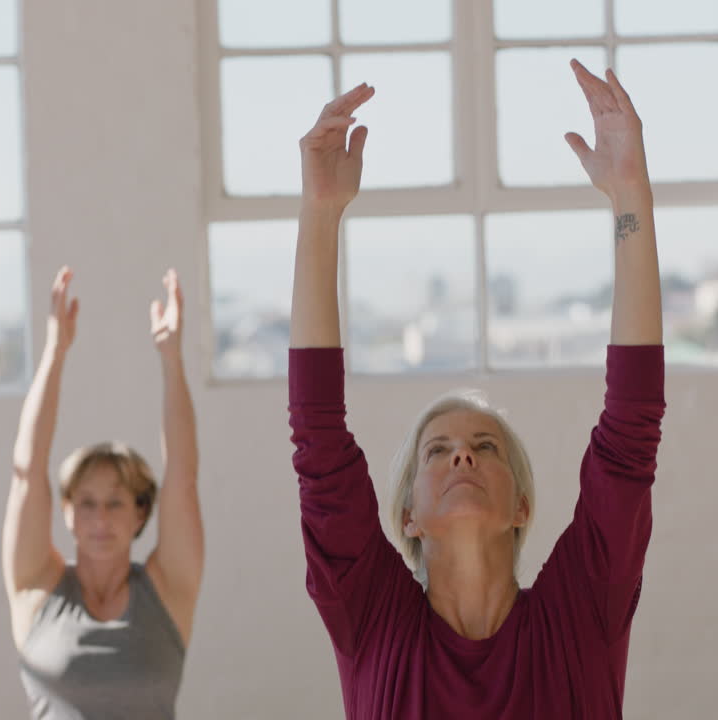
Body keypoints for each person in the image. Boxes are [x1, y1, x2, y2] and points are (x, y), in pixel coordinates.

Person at [287, 60, 666, 718]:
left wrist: (630, 196)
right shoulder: (370, 616)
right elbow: (318, 439)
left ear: (522, 504)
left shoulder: (583, 611)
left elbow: (630, 431)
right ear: (405, 515)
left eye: (485, 446)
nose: (462, 455)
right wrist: (320, 212)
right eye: (437, 451)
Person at [4, 267, 203, 719]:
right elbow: (27, 474)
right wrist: (55, 352)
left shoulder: (167, 589)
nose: (101, 518)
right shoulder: (36, 587)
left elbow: (183, 478)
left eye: (116, 502)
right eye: (87, 502)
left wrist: (171, 359)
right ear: (67, 512)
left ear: (140, 514)